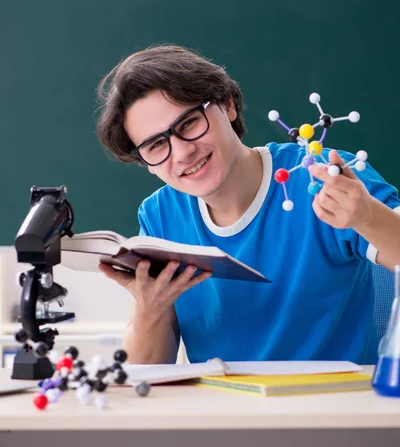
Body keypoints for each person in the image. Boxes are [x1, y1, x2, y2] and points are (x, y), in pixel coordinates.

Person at [96, 44, 400, 365]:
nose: (183, 153)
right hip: (223, 411)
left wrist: (367, 216)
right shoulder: (160, 217)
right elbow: (145, 375)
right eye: (157, 145)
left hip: (329, 408)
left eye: (188, 124)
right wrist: (149, 308)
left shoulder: (322, 177)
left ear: (227, 105)